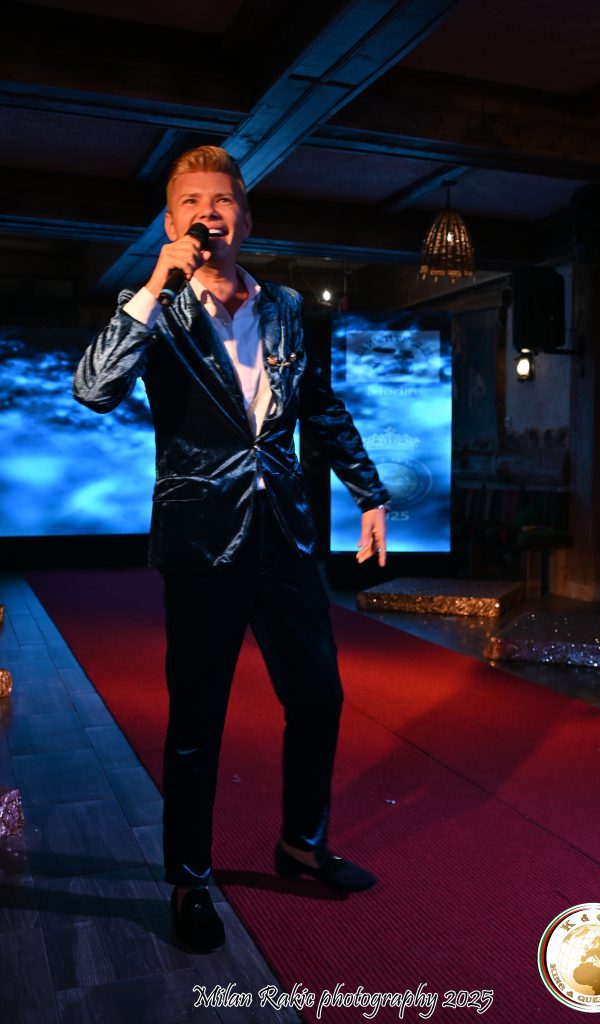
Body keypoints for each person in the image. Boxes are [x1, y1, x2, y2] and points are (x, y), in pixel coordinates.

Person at [73, 145, 390, 954]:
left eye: (221, 201)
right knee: (197, 722)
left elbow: (318, 405)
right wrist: (154, 285)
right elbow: (94, 390)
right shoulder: (156, 307)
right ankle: (189, 879)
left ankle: (302, 844)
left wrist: (369, 492)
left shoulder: (285, 307)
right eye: (191, 203)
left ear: (245, 219)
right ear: (171, 222)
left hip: (284, 535)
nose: (207, 213)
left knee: (318, 697)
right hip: (201, 542)